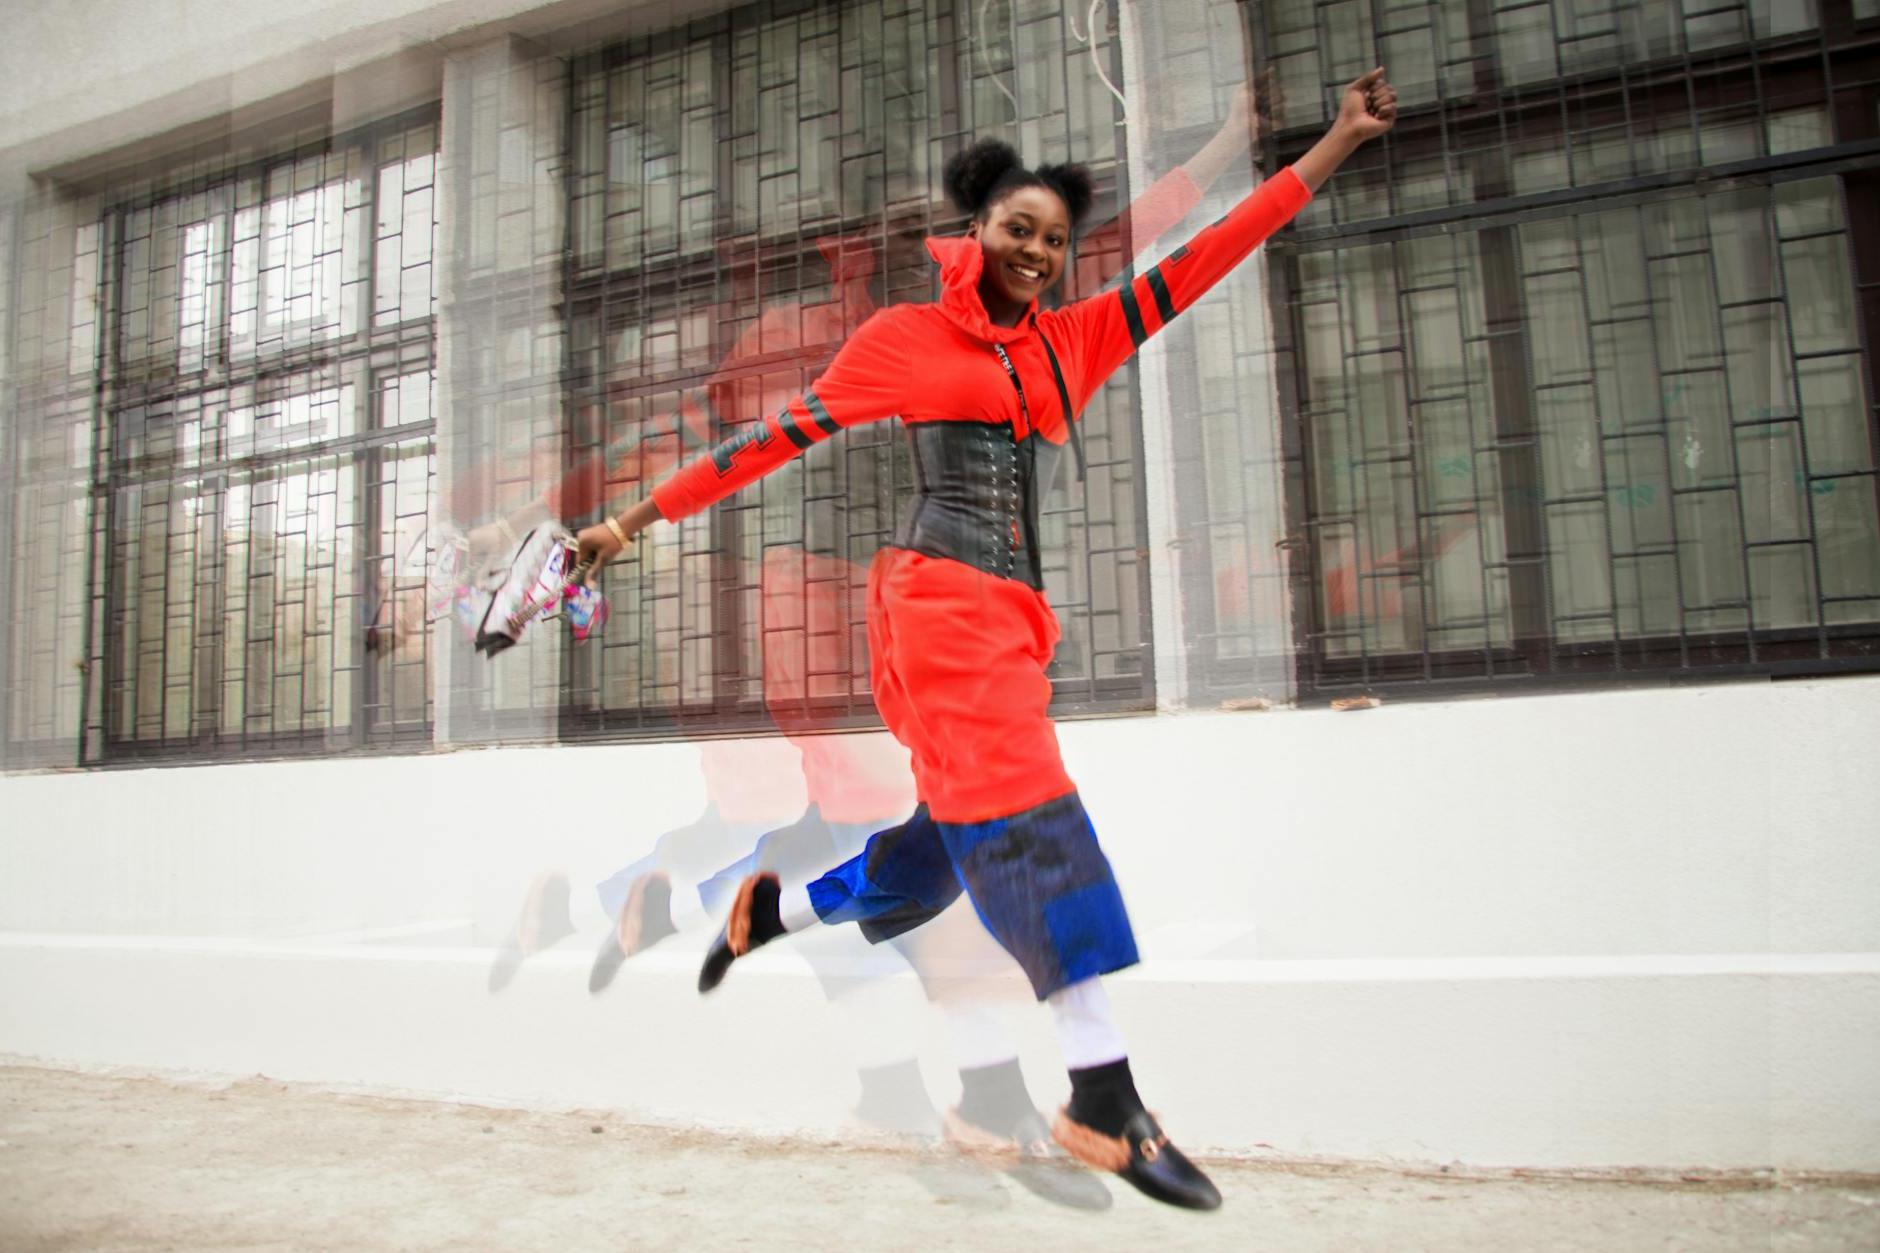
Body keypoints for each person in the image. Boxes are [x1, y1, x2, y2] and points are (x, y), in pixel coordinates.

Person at [576, 69, 1399, 1210]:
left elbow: (1213, 248)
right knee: (1026, 804)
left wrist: (1335, 145)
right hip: (933, 607)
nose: (1038, 252)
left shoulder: (1077, 340)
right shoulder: (902, 340)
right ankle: (1100, 1094)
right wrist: (627, 518)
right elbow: (767, 438)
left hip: (1010, 622)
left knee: (935, 849)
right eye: (1018, 229)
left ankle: (775, 904)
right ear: (975, 232)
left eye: (1055, 240)